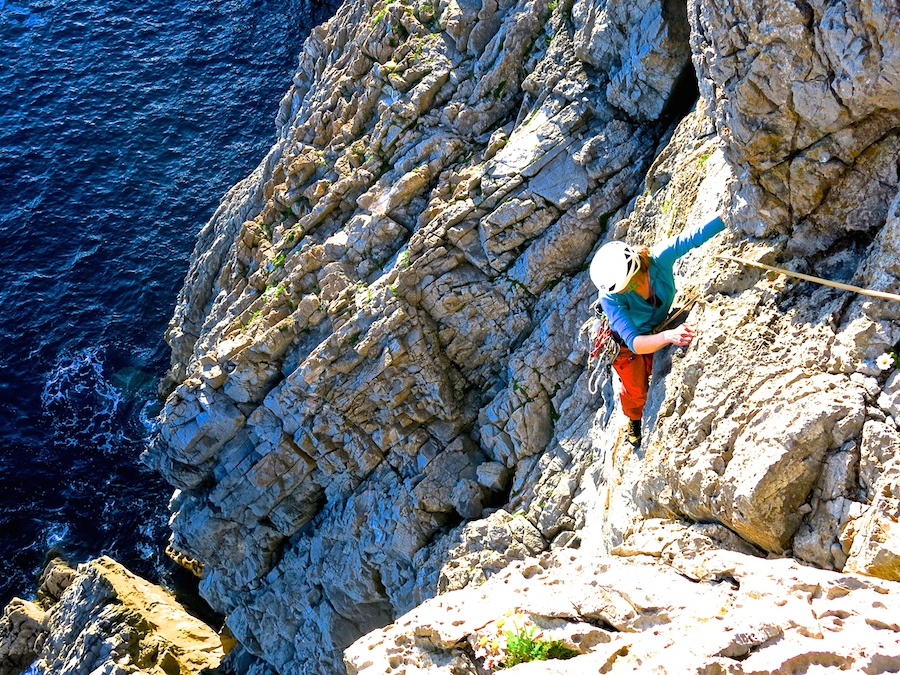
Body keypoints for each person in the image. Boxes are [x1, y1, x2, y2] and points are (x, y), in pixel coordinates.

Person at [589, 213, 726, 445]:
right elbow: (633, 342)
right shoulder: (611, 297)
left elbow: (692, 237)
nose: (627, 291)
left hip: (654, 329)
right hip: (624, 345)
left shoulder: (658, 259)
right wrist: (669, 335)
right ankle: (633, 418)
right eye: (623, 289)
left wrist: (726, 217)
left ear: (638, 269)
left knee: (655, 368)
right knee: (637, 389)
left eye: (630, 284)